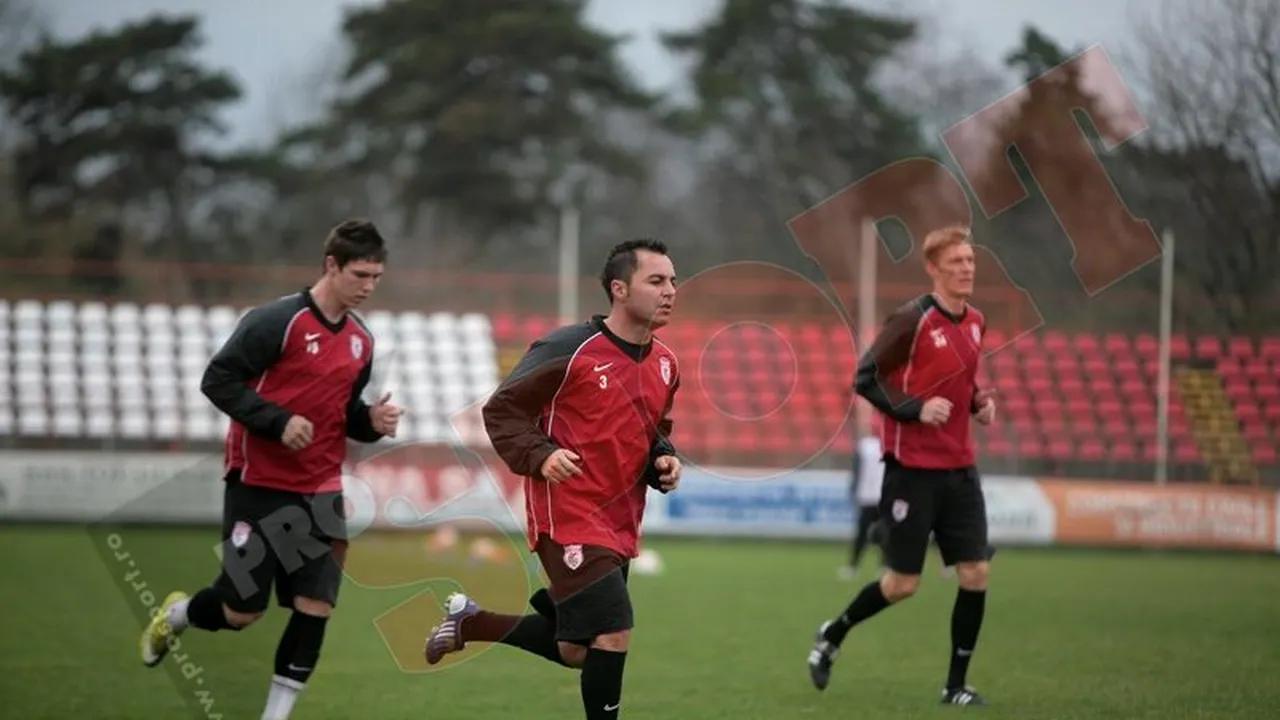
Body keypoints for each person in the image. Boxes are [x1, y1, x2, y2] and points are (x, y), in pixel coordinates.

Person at [138, 219, 403, 720]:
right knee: (241, 611)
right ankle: (178, 615)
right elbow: (218, 380)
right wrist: (277, 422)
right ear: (332, 265)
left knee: (316, 606)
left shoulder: (361, 342)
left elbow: (345, 417)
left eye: (376, 278)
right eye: (361, 275)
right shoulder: (275, 321)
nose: (368, 287)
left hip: (321, 490)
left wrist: (372, 421)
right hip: (258, 483)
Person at [423, 238, 682, 720]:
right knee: (614, 630)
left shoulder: (666, 364)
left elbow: (652, 435)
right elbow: (502, 411)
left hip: (620, 521)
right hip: (567, 512)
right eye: (657, 281)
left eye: (672, 281)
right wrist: (540, 456)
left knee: (577, 649)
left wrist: (663, 461)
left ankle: (471, 623)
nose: (670, 290)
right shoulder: (568, 348)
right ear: (619, 289)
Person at [807, 224, 997, 706]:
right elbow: (865, 378)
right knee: (901, 585)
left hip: (961, 469)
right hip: (912, 470)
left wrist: (979, 402)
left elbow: (965, 377)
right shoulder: (911, 320)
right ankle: (833, 633)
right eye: (956, 263)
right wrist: (916, 408)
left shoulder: (976, 319)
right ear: (934, 269)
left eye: (971, 261)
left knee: (975, 572)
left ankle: (955, 686)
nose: (966, 269)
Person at [839, 433, 886, 580]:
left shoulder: (872, 445)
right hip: (871, 497)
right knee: (867, 534)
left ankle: (880, 566)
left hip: (878, 497)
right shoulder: (867, 446)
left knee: (878, 534)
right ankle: (855, 566)